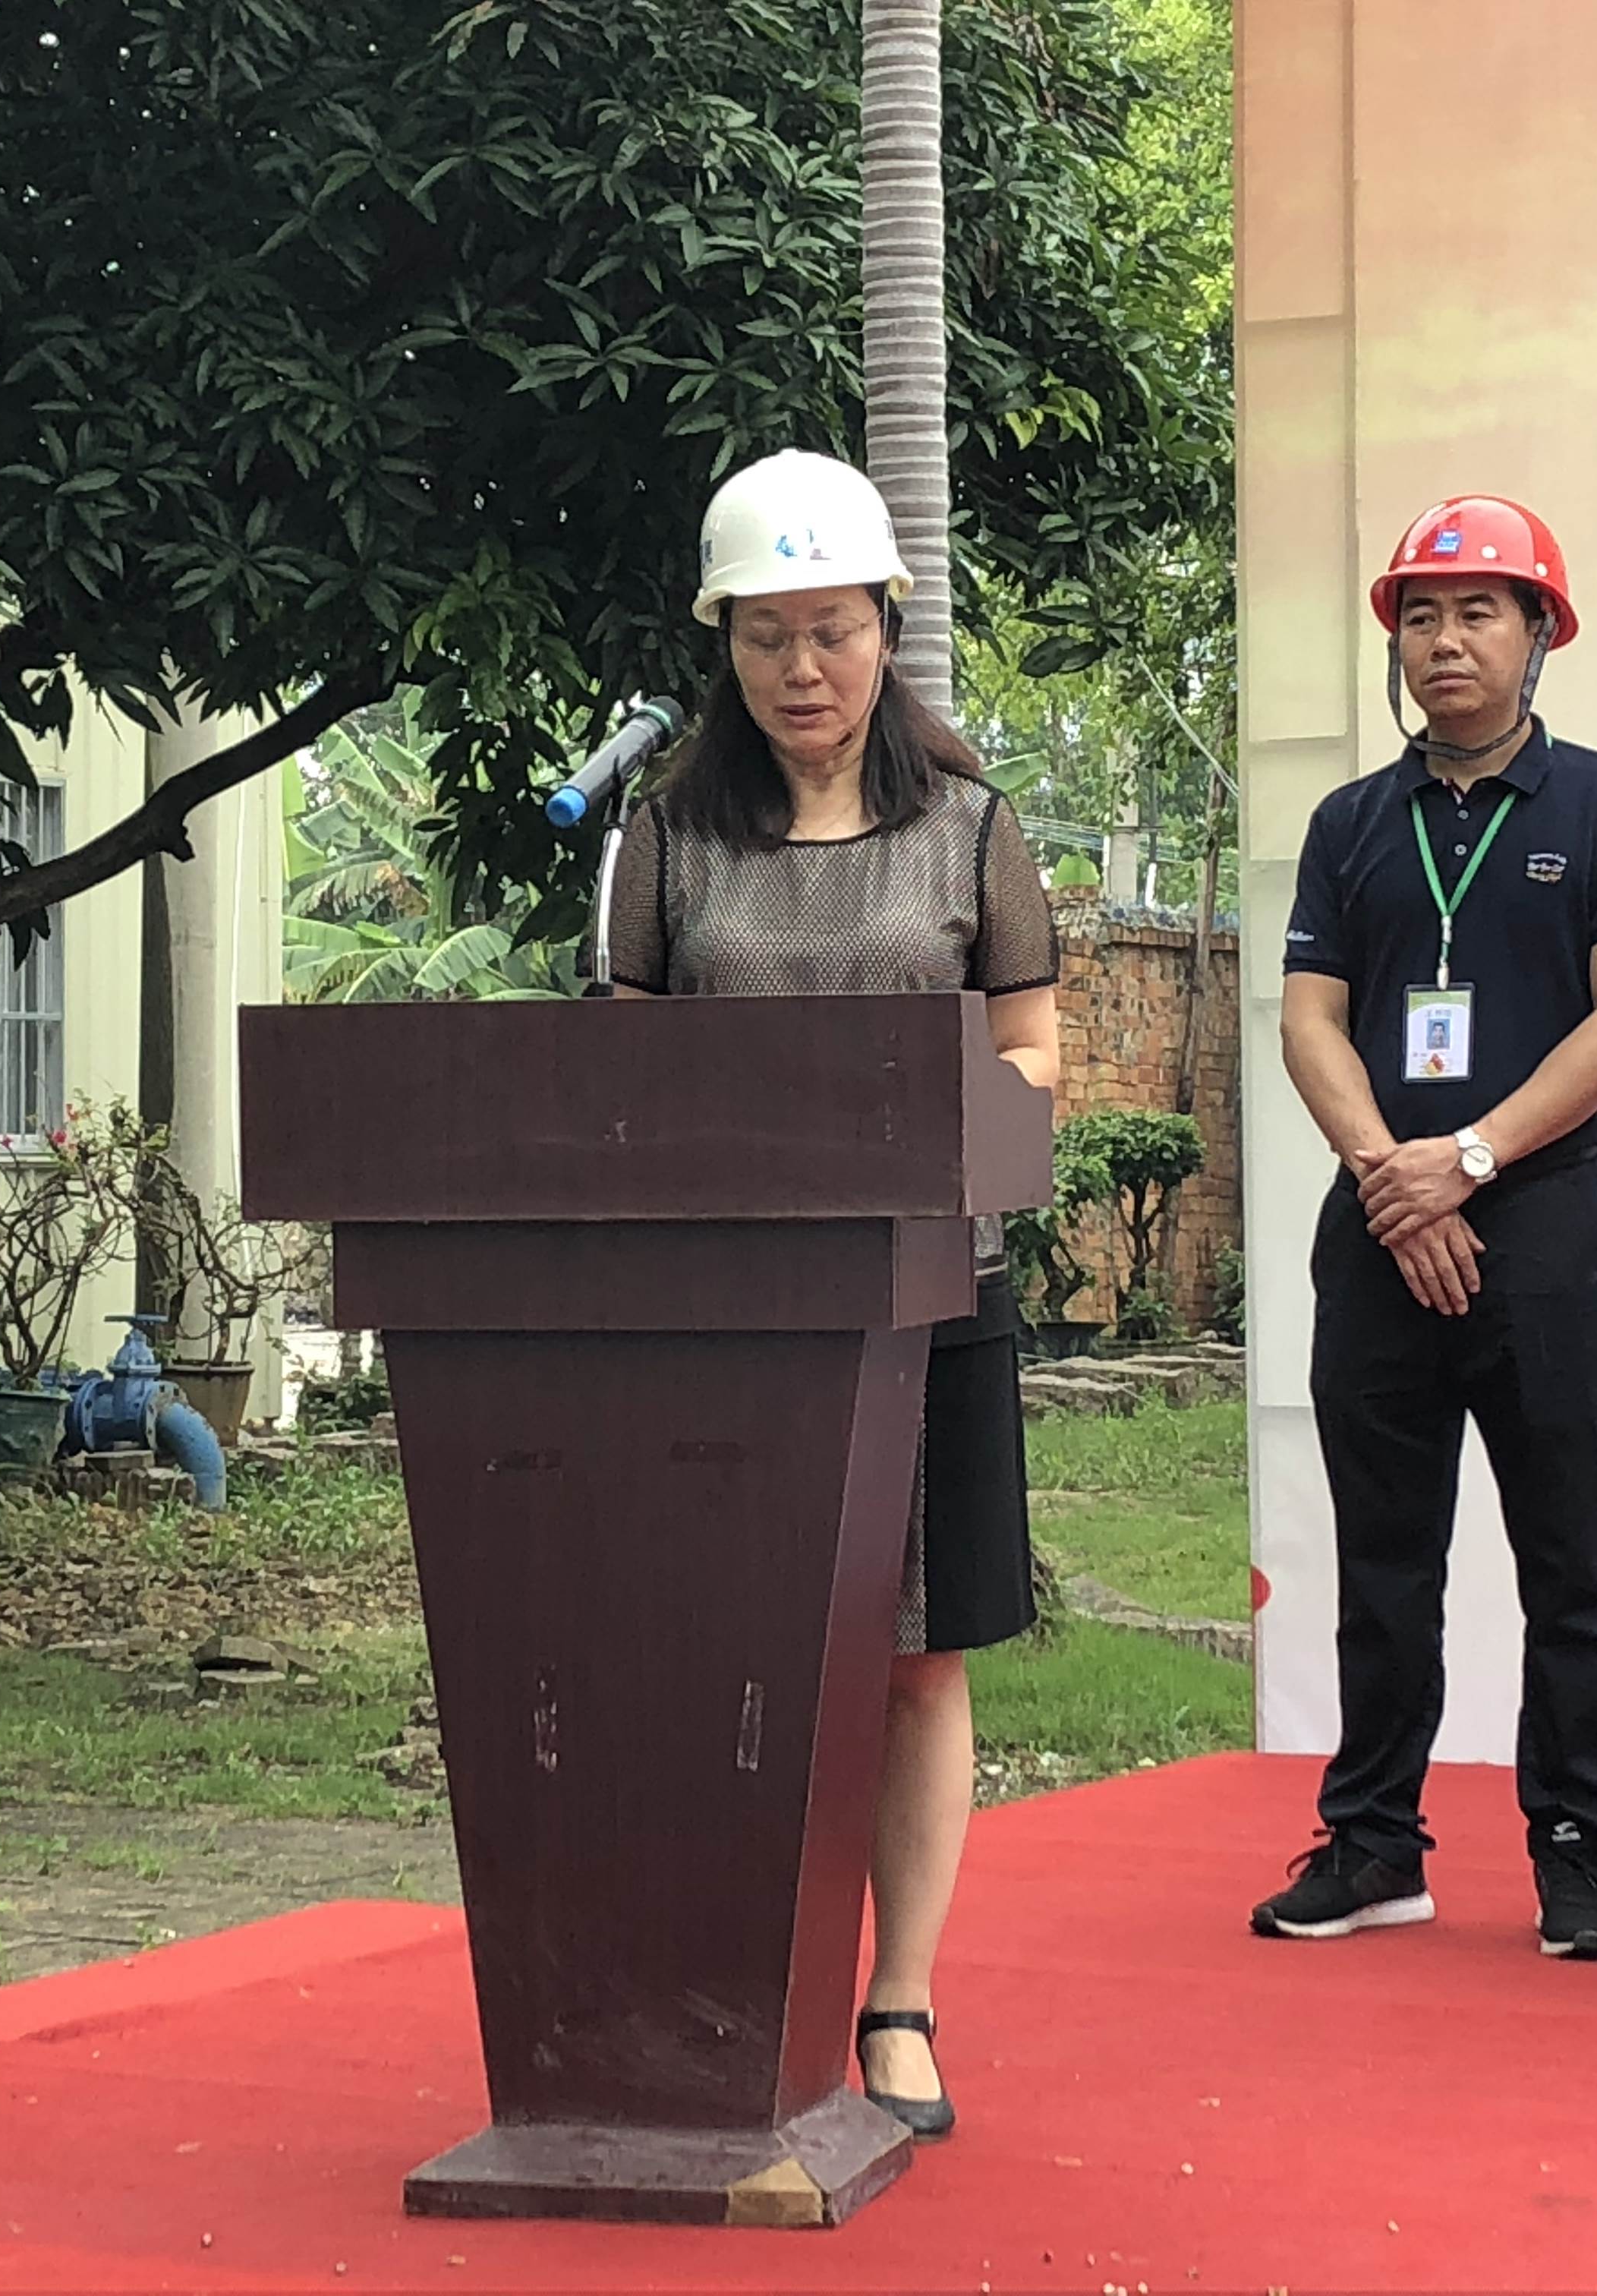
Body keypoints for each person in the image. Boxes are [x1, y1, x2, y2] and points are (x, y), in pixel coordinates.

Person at [603, 449, 1059, 2139]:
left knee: (917, 1657)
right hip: (724, 1312)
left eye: (834, 632)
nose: (803, 670)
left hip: (931, 1294)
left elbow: (1033, 1060)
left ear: (887, 629)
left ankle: (899, 2001)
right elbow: (620, 1082)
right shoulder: (665, 839)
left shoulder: (972, 831)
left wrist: (937, 1134)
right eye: (767, 637)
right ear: (723, 646)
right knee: (736, 1649)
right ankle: (736, 1978)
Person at [1255, 497, 1597, 1961]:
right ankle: (1373, 1841)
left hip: (1544, 1224)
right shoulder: (1350, 825)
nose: (1445, 640)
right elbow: (1310, 1020)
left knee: (1568, 1551)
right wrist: (1393, 1173)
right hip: (1379, 1223)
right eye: (1422, 616)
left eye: (1480, 612)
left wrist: (1474, 1159)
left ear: (1541, 631)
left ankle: (1582, 1850)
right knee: (1385, 1556)